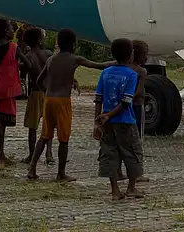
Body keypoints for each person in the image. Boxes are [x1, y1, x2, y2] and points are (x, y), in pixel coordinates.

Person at [26, 28, 113, 182]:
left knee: (44, 136)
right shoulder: (75, 59)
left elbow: (39, 80)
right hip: (62, 102)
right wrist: (117, 62)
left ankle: (32, 169)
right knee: (63, 138)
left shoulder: (51, 59)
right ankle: (61, 173)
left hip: (49, 100)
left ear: (58, 43)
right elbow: (98, 65)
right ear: (73, 44)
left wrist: (46, 91)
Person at [94, 38, 144, 200]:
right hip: (126, 121)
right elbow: (126, 101)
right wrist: (110, 115)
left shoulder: (105, 73)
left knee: (109, 154)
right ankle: (131, 188)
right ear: (130, 55)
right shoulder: (132, 75)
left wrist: (97, 121)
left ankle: (115, 190)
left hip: (107, 123)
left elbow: (98, 98)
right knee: (132, 153)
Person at [0, 18, 34, 165]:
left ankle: (1, 155)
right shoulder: (14, 48)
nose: (14, 30)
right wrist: (16, 65)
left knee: (0, 122)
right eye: (11, 28)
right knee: (1, 124)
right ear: (6, 32)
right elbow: (28, 65)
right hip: (7, 91)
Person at [21, 27, 54, 164]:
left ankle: (31, 154)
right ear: (40, 40)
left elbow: (23, 72)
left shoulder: (28, 56)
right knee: (49, 125)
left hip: (35, 93)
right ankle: (49, 154)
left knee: (32, 127)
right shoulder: (48, 54)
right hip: (49, 93)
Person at [117, 40, 149, 183]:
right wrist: (130, 99)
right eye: (145, 54)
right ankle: (137, 172)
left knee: (120, 139)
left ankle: (118, 170)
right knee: (137, 141)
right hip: (136, 107)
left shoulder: (121, 68)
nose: (147, 58)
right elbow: (139, 92)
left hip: (121, 107)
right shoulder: (141, 71)